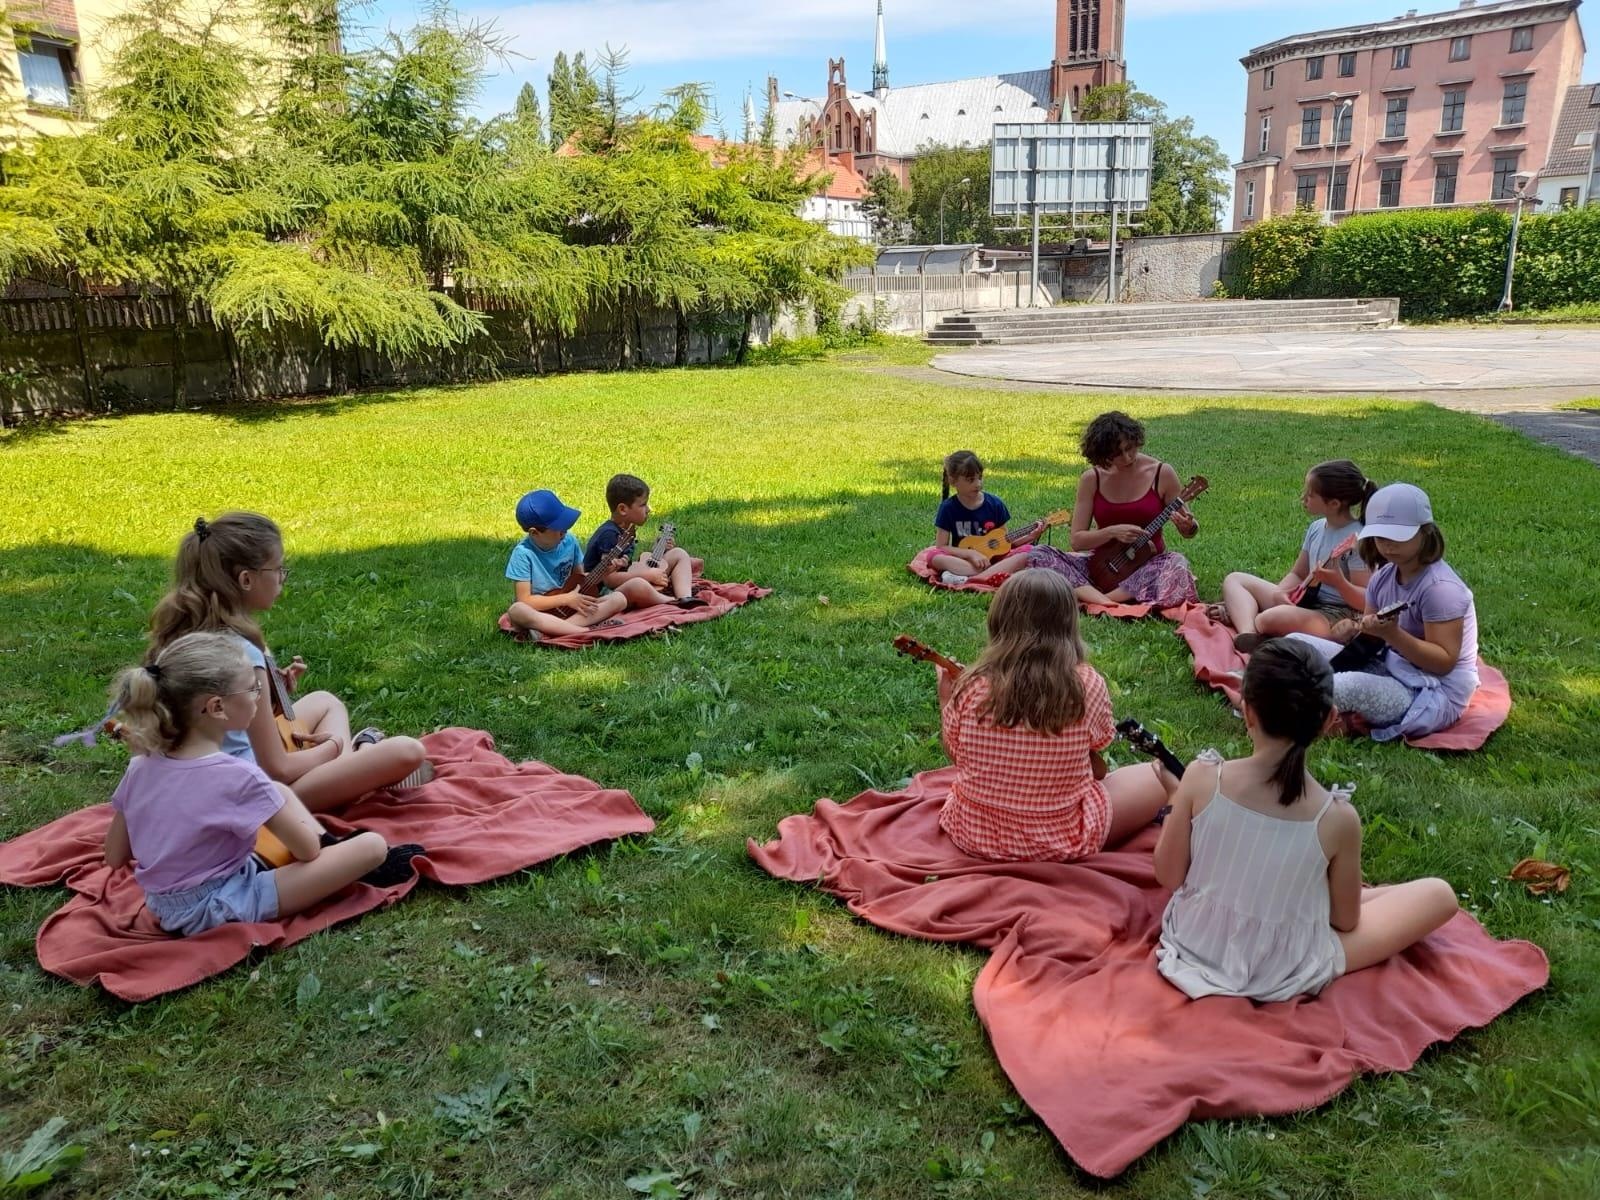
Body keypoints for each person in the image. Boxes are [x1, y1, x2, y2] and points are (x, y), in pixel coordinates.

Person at [1154, 638, 1458, 1001]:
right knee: (1439, 894)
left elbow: (1169, 876)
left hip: (1193, 939)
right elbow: (1345, 922)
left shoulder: (1202, 777)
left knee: (1363, 896)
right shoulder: (1336, 819)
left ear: (1248, 711)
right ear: (1330, 719)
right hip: (1281, 967)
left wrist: (1175, 800)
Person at [103, 632, 422, 936]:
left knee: (280, 793)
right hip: (224, 904)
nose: (260, 699)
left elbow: (116, 856)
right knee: (372, 847)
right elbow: (307, 850)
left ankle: (352, 779)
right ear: (217, 707)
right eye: (253, 690)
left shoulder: (140, 767)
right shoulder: (239, 776)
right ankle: (346, 852)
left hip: (162, 906)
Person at [148, 513, 431, 812]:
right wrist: (331, 748)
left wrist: (270, 692)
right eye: (278, 568)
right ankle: (358, 757)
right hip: (251, 797)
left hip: (199, 782)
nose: (283, 577)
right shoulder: (244, 653)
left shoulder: (184, 636)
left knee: (325, 701)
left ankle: (354, 765)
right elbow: (277, 769)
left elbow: (223, 717)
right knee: (407, 751)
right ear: (246, 579)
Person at [934, 570, 1173, 861]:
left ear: (998, 619)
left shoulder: (972, 683)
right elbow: (1099, 745)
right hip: (1058, 840)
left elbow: (957, 753)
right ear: (1068, 623)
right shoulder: (1086, 683)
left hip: (973, 833)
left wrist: (946, 697)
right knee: (1160, 772)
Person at [1288, 483, 1480, 742]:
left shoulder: (1440, 590)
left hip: (1429, 690)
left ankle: (1278, 711)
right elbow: (1369, 638)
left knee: (1346, 687)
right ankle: (1286, 700)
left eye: (1398, 537)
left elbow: (1443, 662)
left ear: (1426, 533)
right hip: (1386, 663)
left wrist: (1393, 634)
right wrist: (1354, 629)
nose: (1388, 545)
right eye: (1381, 537)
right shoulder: (1383, 577)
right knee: (1293, 645)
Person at [1028, 411, 1199, 608]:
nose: (1127, 458)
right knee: (1039, 554)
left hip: (1148, 568)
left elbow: (1190, 528)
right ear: (1103, 456)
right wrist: (1112, 532)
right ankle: (1105, 598)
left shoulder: (1161, 473)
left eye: (1130, 448)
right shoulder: (1092, 479)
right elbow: (1077, 541)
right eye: (1117, 454)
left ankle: (1098, 599)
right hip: (1102, 567)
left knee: (1177, 564)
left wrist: (1189, 527)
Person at [1217, 460, 1376, 652]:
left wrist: (1339, 582)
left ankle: (1257, 621)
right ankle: (1248, 634)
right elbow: (1298, 573)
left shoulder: (1358, 539)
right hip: (1306, 599)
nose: (1303, 498)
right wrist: (1281, 593)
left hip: (1336, 614)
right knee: (1235, 580)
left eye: (1310, 495)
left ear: (1333, 503)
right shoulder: (1316, 528)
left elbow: (1365, 601)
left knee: (1268, 618)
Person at [502, 488, 637, 642]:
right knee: (517, 610)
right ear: (534, 532)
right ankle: (584, 630)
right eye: (558, 529)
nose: (564, 532)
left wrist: (604, 573)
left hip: (571, 609)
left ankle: (554, 630)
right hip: (540, 610)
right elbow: (525, 600)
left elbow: (580, 580)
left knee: (619, 599)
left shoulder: (569, 541)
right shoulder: (523, 554)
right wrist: (566, 599)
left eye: (565, 527)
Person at [584, 473, 708, 610]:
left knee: (679, 553)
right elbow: (609, 579)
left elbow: (630, 565)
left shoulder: (627, 529)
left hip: (629, 575)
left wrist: (659, 549)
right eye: (643, 505)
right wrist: (648, 575)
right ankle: (671, 602)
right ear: (623, 509)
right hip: (605, 592)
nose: (649, 509)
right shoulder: (609, 535)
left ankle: (685, 597)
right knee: (638, 585)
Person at [927, 450, 1037, 586]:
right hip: (963, 559)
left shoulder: (995, 504)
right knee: (933, 556)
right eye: (970, 480)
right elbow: (942, 546)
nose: (978, 484)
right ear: (953, 481)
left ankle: (964, 577)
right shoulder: (948, 508)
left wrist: (1031, 536)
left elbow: (1006, 542)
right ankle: (990, 575)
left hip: (995, 559)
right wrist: (971, 554)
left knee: (1029, 551)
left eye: (980, 477)